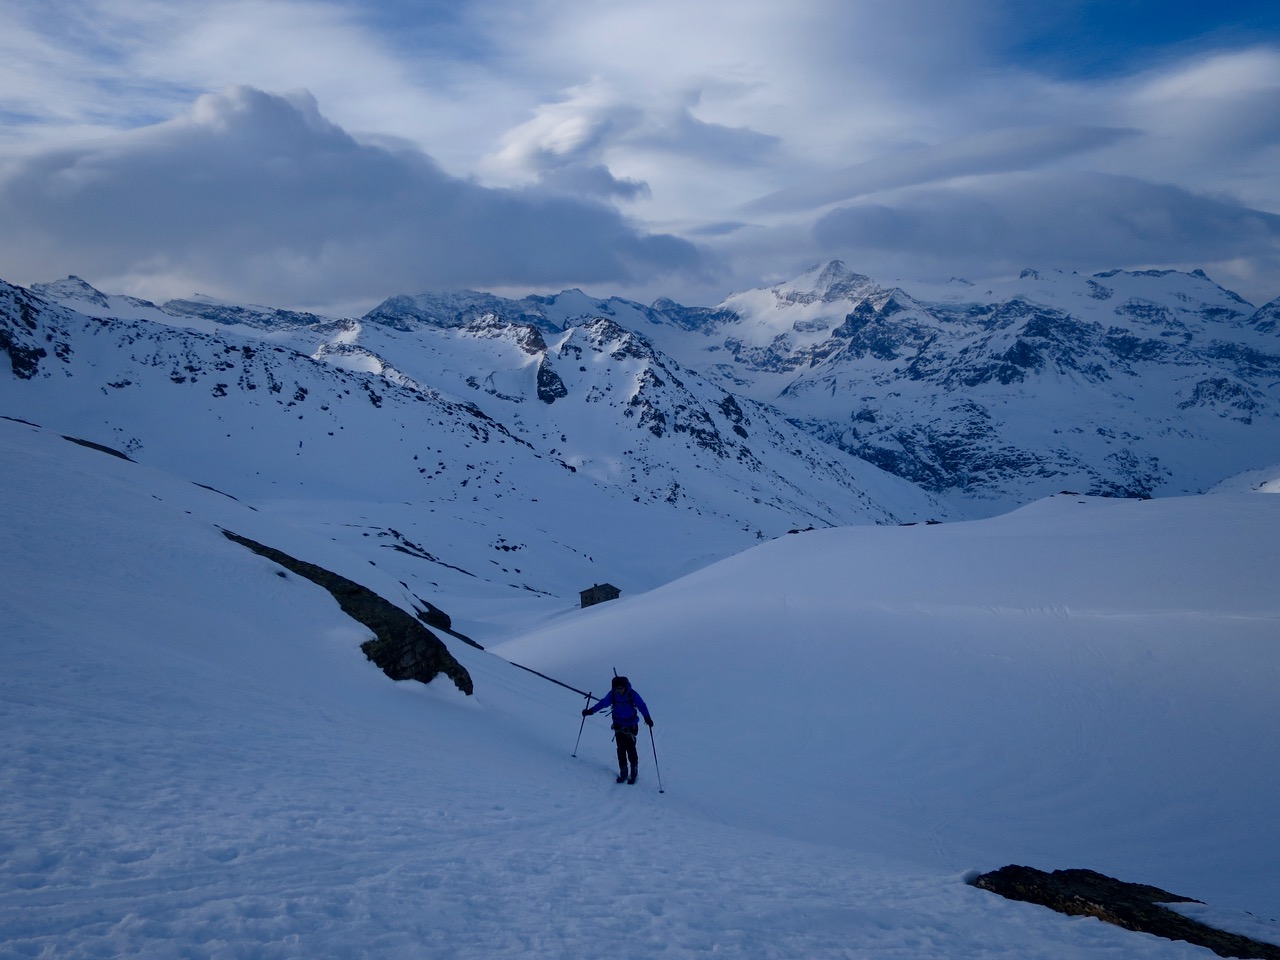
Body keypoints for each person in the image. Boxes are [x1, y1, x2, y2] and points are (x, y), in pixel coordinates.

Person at [582, 675, 653, 783]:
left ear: (625, 687)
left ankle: (634, 771)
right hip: (618, 725)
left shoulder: (632, 694)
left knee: (630, 748)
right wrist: (590, 711)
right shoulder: (613, 695)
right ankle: (623, 772)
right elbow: (603, 704)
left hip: (631, 725)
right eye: (617, 688)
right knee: (620, 749)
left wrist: (647, 718)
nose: (619, 690)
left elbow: (641, 705)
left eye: (621, 688)